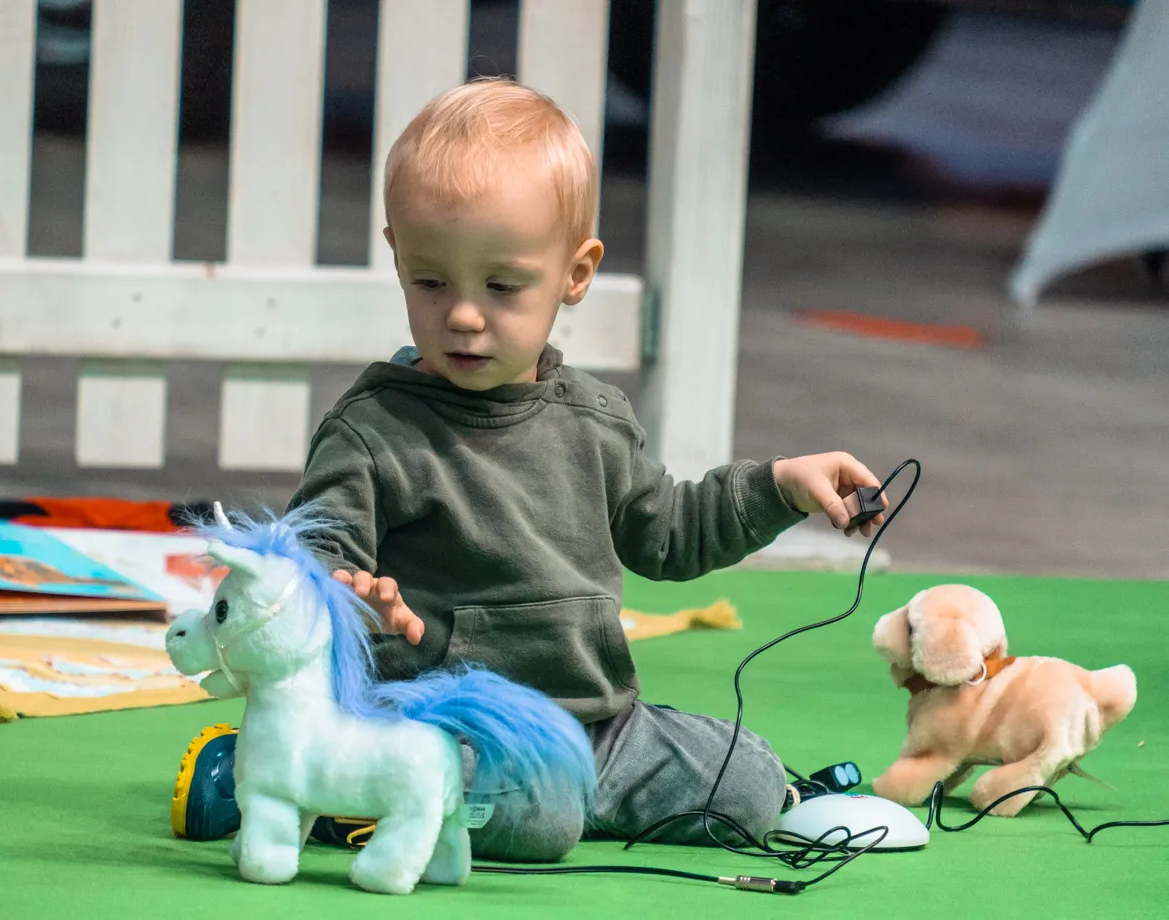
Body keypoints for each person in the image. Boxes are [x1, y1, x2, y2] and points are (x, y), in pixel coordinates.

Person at [170, 77, 887, 861]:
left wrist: (779, 485)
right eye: (431, 280)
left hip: (600, 726)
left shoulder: (597, 421)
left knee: (749, 779)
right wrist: (344, 594)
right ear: (398, 257)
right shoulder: (374, 429)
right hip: (443, 727)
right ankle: (297, 776)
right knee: (541, 820)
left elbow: (672, 536)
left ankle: (540, 799)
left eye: (502, 286)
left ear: (575, 275)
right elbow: (320, 551)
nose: (464, 315)